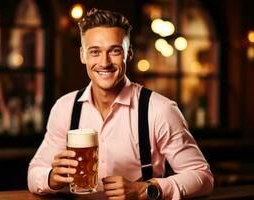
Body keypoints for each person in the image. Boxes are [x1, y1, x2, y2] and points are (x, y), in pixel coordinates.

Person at [27, 8, 214, 200]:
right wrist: (51, 178)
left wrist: (145, 190)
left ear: (129, 54)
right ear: (83, 55)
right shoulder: (65, 108)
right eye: (95, 52)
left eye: (114, 51)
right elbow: (34, 173)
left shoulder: (159, 110)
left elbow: (202, 177)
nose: (104, 62)